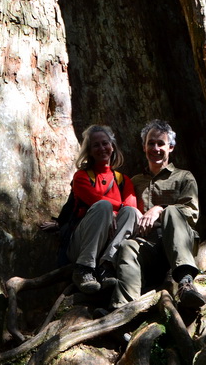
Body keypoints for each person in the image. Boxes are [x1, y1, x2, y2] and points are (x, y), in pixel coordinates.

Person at [110, 119, 205, 309]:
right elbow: (121, 209)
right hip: (149, 248)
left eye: (160, 143)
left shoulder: (184, 177)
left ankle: (186, 284)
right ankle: (123, 310)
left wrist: (159, 210)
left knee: (171, 211)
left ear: (170, 147)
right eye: (150, 143)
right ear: (144, 148)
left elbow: (191, 213)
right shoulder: (135, 181)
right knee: (128, 246)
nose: (156, 148)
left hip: (178, 246)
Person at [66, 124, 141, 294]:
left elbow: (131, 207)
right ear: (89, 151)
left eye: (105, 143)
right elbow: (96, 200)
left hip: (109, 243)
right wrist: (114, 211)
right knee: (103, 206)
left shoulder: (123, 180)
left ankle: (107, 265)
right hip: (81, 245)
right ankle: (84, 269)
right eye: (96, 145)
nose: (102, 148)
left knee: (130, 213)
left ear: (112, 147)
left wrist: (117, 212)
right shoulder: (82, 177)